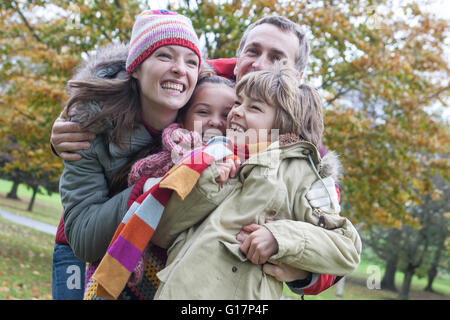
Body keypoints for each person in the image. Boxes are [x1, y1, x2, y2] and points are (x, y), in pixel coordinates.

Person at [53, 13, 341, 297]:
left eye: (278, 58)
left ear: (297, 76)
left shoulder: (298, 149)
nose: (260, 64)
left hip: (176, 263)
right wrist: (76, 118)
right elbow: (133, 73)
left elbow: (332, 233)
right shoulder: (197, 82)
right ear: (238, 57)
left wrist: (303, 271)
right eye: (253, 51)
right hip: (93, 235)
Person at [146, 63, 362, 299]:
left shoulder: (298, 174)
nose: (236, 112)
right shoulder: (210, 156)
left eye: (254, 107)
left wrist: (280, 238)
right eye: (238, 103)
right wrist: (207, 184)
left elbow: (347, 249)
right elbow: (161, 234)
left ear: (283, 124)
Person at [56, 10, 202, 300]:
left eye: (191, 62)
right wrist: (147, 188)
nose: (179, 69)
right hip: (80, 250)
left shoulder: (205, 109)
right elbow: (84, 237)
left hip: (154, 260)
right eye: (164, 56)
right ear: (135, 67)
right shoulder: (88, 126)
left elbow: (252, 71)